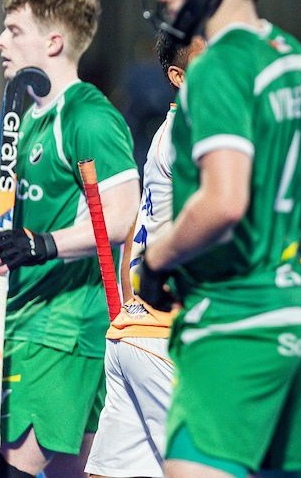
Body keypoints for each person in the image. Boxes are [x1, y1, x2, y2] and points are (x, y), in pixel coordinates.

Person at [136, 0, 301, 478]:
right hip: (298, 316)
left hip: (233, 324)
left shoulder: (216, 69)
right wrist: (277, 257)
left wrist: (155, 257)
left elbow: (224, 200)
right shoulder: (290, 58)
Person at [0, 0, 141, 477]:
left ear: (53, 42)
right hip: (37, 317)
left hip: (64, 326)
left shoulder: (89, 117)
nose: (0, 41)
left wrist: (40, 244)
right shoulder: (30, 115)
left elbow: (123, 216)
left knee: (6, 472)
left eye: (13, 30)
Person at [86, 32, 205, 478]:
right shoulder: (199, 131)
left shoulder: (168, 131)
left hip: (132, 331)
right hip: (166, 337)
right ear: (177, 75)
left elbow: (139, 226)